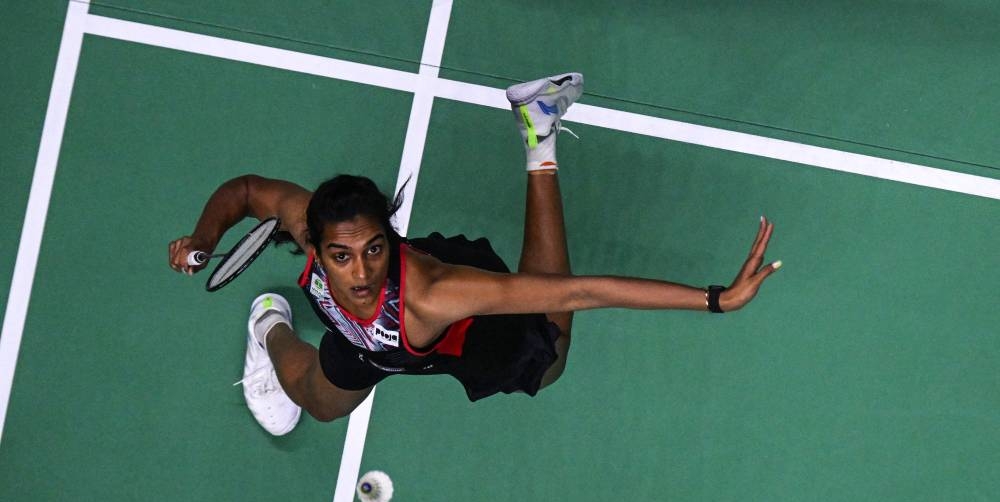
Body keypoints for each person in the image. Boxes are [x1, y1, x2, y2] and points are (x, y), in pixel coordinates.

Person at [168, 73, 780, 436]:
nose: (360, 271)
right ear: (315, 246)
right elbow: (248, 192)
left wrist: (715, 300)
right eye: (342, 255)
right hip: (364, 345)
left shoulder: (438, 293)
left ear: (389, 235)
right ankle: (269, 324)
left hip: (455, 332)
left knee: (549, 355)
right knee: (319, 403)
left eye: (374, 249)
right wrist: (203, 240)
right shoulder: (312, 227)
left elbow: (579, 292)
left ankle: (540, 138)